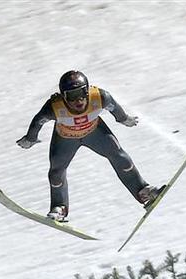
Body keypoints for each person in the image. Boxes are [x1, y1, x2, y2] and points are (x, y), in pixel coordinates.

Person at [16, 70, 162, 222]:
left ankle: (142, 191)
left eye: (81, 93)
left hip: (94, 133)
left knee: (119, 156)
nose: (78, 100)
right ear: (63, 96)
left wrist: (124, 119)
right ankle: (59, 207)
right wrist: (30, 138)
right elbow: (38, 120)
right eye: (72, 96)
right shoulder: (54, 106)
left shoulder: (99, 96)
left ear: (87, 90)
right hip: (66, 139)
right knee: (56, 173)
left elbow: (115, 107)